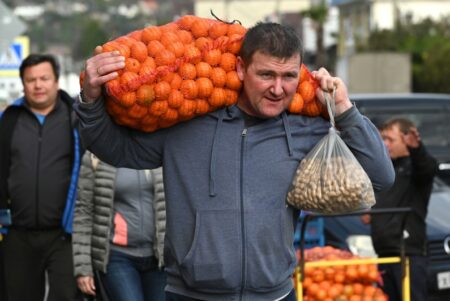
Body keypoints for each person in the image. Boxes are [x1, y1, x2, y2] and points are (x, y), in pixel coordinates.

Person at [74, 22, 395, 301]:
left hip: (276, 295)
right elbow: (115, 150)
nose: (278, 89)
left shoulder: (305, 128)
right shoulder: (187, 124)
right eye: (266, 74)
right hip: (190, 295)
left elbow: (380, 176)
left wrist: (345, 109)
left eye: (288, 76)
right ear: (241, 69)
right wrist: (90, 99)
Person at [0, 53, 82, 301]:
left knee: (66, 296)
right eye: (31, 79)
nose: (38, 85)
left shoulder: (75, 118)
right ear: (22, 83)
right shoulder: (8, 120)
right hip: (17, 233)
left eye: (44, 78)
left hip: (64, 234)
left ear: (56, 81)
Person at [72, 150, 167, 301]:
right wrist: (83, 269)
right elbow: (84, 211)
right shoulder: (97, 154)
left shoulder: (159, 148)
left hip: (159, 260)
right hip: (118, 257)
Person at [362, 117, 438, 301]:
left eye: (390, 140)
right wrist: (371, 212)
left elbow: (427, 168)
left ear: (407, 140)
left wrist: (417, 149)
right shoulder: (385, 169)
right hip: (384, 255)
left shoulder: (415, 167)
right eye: (383, 139)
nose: (385, 144)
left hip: (408, 257)